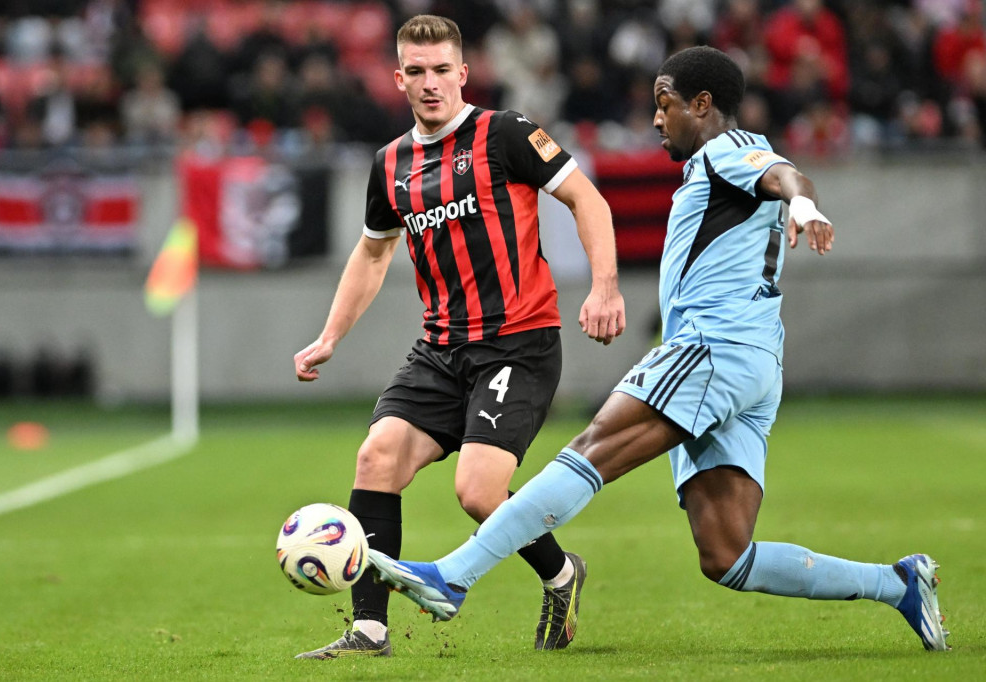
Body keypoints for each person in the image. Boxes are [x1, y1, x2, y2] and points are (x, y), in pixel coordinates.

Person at [367, 45, 950, 653]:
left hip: (711, 350)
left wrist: (802, 201)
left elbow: (785, 175)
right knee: (727, 555)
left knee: (589, 451)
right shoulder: (714, 167)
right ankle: (898, 583)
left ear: (701, 104)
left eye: (664, 105)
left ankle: (453, 577)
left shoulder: (729, 150)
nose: (655, 119)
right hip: (754, 364)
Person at [292, 14, 625, 659]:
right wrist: (330, 335)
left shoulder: (507, 135)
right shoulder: (390, 163)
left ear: (463, 73)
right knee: (376, 457)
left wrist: (604, 287)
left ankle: (561, 576)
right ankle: (369, 629)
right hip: (441, 349)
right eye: (415, 72)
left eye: (442, 69)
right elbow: (371, 255)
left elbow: (589, 200)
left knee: (477, 493)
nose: (430, 83)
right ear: (398, 79)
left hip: (518, 341)